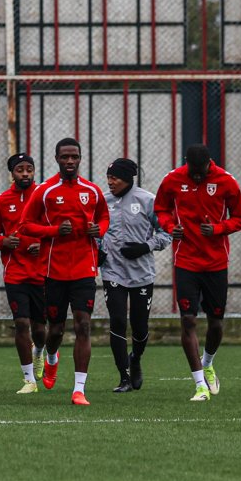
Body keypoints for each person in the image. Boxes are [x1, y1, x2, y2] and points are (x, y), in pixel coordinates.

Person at [153, 144, 241, 401]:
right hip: (185, 261)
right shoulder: (172, 179)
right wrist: (171, 226)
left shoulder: (226, 181)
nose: (196, 176)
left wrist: (218, 229)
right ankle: (200, 385)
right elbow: (160, 209)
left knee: (216, 323)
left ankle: (208, 363)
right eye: (192, 171)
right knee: (188, 320)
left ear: (210, 163)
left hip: (216, 263)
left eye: (201, 171)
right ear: (187, 164)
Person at [19, 138, 108, 406]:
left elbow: (104, 217)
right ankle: (51, 357)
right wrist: (54, 231)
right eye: (65, 157)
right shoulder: (45, 191)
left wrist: (99, 230)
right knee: (55, 330)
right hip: (54, 270)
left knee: (83, 325)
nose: (70, 161)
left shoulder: (91, 190)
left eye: (75, 157)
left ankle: (79, 389)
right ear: (57, 159)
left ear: (80, 159)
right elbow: (26, 225)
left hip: (84, 269)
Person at [99, 158, 169, 393]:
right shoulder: (104, 201)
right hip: (113, 272)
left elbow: (166, 232)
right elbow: (96, 232)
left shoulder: (147, 200)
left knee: (139, 326)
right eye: (108, 177)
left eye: (115, 178)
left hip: (141, 274)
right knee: (118, 320)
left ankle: (136, 358)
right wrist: (98, 251)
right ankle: (124, 377)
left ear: (128, 178)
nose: (110, 182)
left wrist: (145, 247)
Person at [0, 153, 49, 394]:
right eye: (20, 169)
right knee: (21, 323)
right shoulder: (1, 201)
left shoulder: (45, 196)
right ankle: (29, 380)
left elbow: (60, 230)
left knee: (40, 328)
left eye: (29, 169)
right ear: (12, 173)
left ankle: (39, 351)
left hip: (43, 271)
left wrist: (42, 244)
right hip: (15, 273)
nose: (25, 173)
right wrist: (4, 241)